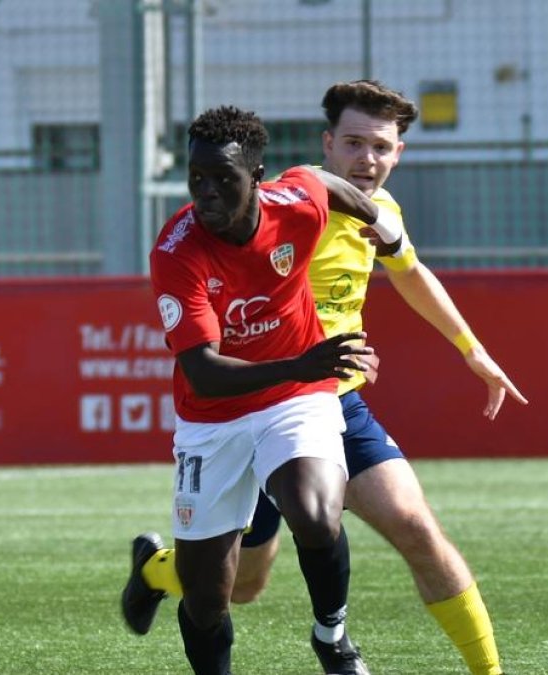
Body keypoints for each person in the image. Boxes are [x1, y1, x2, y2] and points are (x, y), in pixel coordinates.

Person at [123, 81, 527, 675]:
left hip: (320, 402)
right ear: (327, 145)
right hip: (240, 402)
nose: (368, 159)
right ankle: (159, 569)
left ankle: (457, 665)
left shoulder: (379, 211)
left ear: (398, 155)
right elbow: (310, 193)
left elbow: (410, 271)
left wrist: (473, 350)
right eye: (355, 143)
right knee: (237, 587)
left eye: (382, 147)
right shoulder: (280, 202)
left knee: (410, 526)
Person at [145, 104, 406, 675]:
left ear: (257, 180)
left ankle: (331, 636)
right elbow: (204, 372)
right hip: (212, 417)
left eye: (224, 180)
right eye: (196, 179)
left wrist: (384, 226)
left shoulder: (295, 206)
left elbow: (325, 183)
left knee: (315, 514)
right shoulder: (176, 251)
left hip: (294, 398)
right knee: (209, 599)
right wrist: (300, 362)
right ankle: (156, 574)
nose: (206, 193)